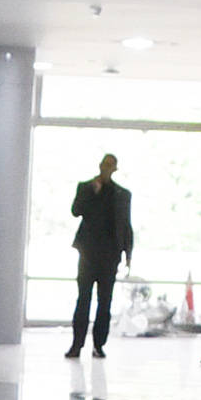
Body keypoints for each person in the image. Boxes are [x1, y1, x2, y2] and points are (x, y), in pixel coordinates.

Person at [64, 151, 135, 359]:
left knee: (105, 302)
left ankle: (99, 344)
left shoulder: (122, 194)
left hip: (110, 255)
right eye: (105, 165)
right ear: (99, 166)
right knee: (83, 299)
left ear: (115, 169)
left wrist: (128, 253)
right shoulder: (85, 187)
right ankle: (77, 344)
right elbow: (76, 211)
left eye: (111, 166)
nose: (106, 169)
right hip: (88, 253)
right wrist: (92, 193)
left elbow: (126, 224)